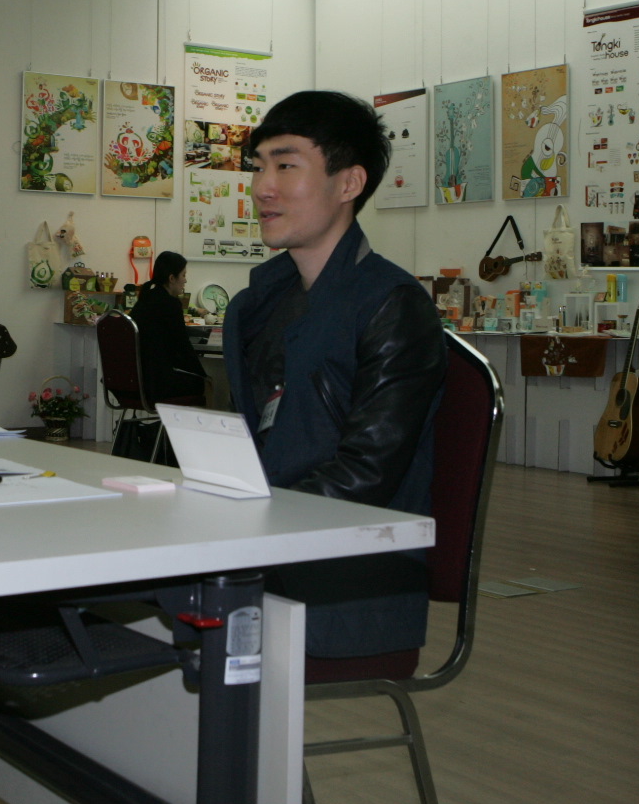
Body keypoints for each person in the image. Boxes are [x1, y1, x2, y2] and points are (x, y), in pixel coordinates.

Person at [223, 90, 447, 659]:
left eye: (285, 166)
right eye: (258, 166)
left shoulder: (393, 305)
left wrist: (243, 529)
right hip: (263, 554)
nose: (262, 187)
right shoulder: (259, 304)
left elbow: (364, 476)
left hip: (345, 581)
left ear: (349, 183)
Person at [129, 250, 207, 405]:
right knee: (205, 383)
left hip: (134, 382)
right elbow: (182, 346)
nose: (185, 280)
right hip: (157, 384)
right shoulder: (170, 304)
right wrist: (204, 375)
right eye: (183, 275)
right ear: (172, 278)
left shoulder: (145, 299)